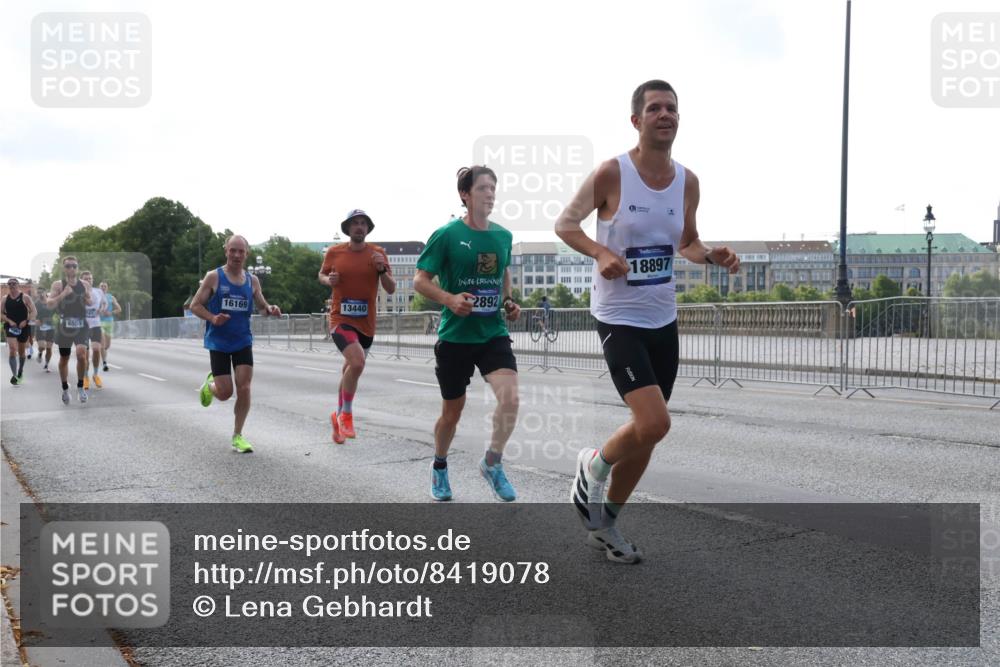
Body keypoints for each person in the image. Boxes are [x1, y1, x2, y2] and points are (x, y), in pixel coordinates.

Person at [556, 80, 740, 562]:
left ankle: (606, 525)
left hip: (662, 316)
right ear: (636, 120)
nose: (666, 115)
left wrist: (711, 255)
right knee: (655, 421)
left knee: (649, 433)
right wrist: (600, 252)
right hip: (618, 315)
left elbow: (687, 243)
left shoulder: (688, 181)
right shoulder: (612, 172)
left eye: (672, 108)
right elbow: (566, 224)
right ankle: (593, 465)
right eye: (655, 108)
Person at [414, 166, 522, 502]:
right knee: (452, 412)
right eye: (483, 188)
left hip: (492, 333)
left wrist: (508, 300)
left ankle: (492, 462)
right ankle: (440, 465)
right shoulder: (446, 235)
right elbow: (420, 280)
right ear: (465, 195)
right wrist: (449, 299)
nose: (490, 194)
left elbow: (503, 271)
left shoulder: (503, 236)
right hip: (456, 337)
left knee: (511, 399)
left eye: (493, 188)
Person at [190, 235, 282, 453]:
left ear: (247, 254)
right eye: (233, 250)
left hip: (242, 340)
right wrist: (213, 318)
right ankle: (210, 386)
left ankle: (237, 435)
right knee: (224, 393)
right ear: (226, 251)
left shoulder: (252, 281)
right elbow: (194, 305)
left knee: (245, 388)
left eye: (241, 251)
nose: (237, 255)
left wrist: (270, 309)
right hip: (219, 342)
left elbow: (261, 306)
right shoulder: (214, 277)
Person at [318, 209, 396, 444]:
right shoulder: (335, 252)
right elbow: (321, 275)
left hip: (366, 324)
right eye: (355, 223)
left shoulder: (378, 253)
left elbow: (391, 288)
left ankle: (338, 415)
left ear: (368, 228)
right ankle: (347, 415)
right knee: (357, 362)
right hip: (340, 319)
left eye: (363, 223)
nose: (359, 227)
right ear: (348, 228)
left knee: (349, 370)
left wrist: (382, 269)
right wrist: (327, 280)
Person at [47, 256, 93, 404]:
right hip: (65, 326)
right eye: (68, 266)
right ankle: (65, 388)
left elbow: (90, 301)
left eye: (74, 266)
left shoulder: (84, 284)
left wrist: (86, 296)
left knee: (81, 355)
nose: (71, 268)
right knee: (64, 358)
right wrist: (63, 294)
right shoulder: (58, 285)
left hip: (81, 325)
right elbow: (50, 304)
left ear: (77, 268)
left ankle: (80, 387)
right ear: (64, 268)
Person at [3, 278, 37, 385]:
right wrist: (9, 320)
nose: (12, 285)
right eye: (10, 284)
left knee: (22, 352)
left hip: (23, 327)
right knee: (13, 349)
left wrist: (26, 321)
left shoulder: (25, 297)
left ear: (18, 285)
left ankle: (20, 372)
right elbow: (0, 313)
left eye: (14, 283)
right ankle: (14, 376)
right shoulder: (5, 299)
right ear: (8, 286)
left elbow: (34, 312)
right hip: (10, 326)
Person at [80, 271, 105, 390]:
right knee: (84, 354)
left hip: (96, 325)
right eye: (86, 279)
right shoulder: (78, 293)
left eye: (90, 278)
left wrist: (101, 308)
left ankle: (95, 374)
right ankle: (85, 377)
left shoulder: (98, 291)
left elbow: (104, 304)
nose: (88, 280)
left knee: (96, 350)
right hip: (83, 326)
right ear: (81, 280)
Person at [98, 281, 122, 371]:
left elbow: (119, 309)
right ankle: (104, 363)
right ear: (99, 288)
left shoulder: (111, 297)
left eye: (105, 286)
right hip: (99, 322)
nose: (103, 287)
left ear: (107, 288)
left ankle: (102, 352)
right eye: (101, 286)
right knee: (102, 343)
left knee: (107, 345)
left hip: (109, 322)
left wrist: (110, 313)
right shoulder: (96, 297)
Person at [34, 288, 55, 372]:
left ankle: (46, 365)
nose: (40, 294)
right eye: (38, 293)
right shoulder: (36, 304)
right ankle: (40, 353)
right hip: (40, 327)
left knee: (49, 348)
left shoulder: (51, 302)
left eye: (41, 292)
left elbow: (57, 311)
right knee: (42, 347)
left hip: (51, 327)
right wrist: (35, 320)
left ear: (45, 292)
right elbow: (31, 313)